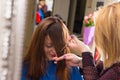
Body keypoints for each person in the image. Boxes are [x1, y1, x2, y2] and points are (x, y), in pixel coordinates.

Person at [53, 2, 120, 80]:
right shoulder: (115, 66)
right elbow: (104, 70)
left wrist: (86, 52)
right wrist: (81, 62)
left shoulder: (117, 71)